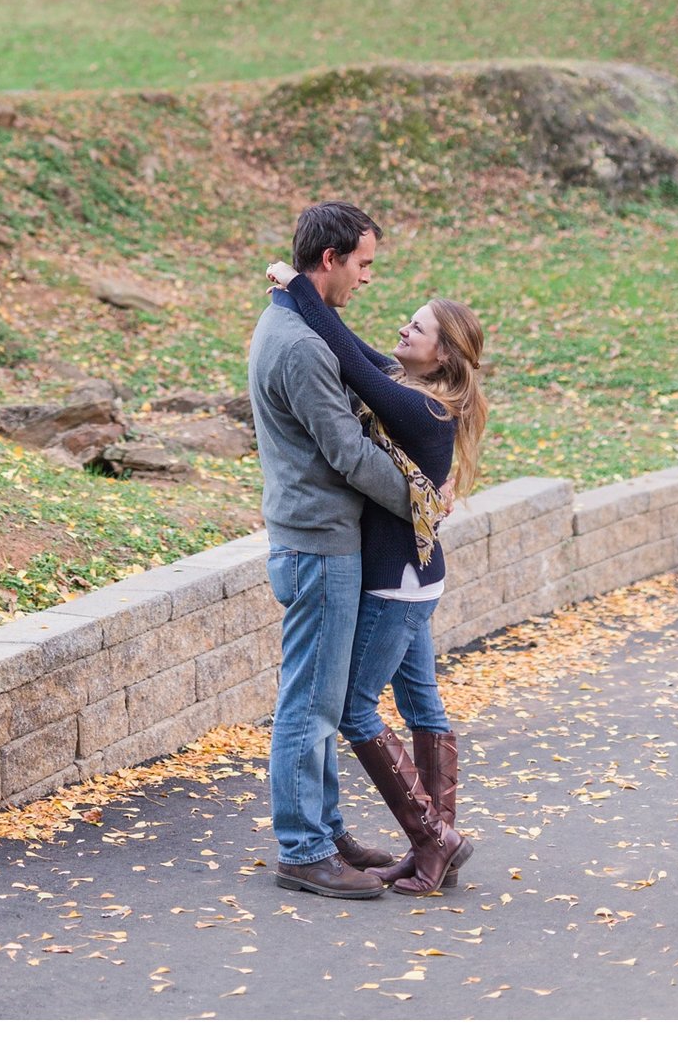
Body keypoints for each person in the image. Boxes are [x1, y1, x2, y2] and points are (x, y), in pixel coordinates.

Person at [268, 257, 487, 892]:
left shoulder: (422, 409)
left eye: (417, 328)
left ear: (441, 355)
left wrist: (296, 287)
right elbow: (361, 349)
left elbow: (352, 362)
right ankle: (433, 856)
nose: (403, 329)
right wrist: (305, 296)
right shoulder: (419, 390)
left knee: (356, 708)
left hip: (396, 581)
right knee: (422, 702)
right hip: (418, 575)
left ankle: (433, 837)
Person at [247, 201, 415, 898]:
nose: (369, 278)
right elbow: (346, 451)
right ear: (330, 259)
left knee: (318, 697)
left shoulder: (296, 324)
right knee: (310, 703)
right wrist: (420, 500)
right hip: (318, 545)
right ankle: (303, 847)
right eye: (364, 263)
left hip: (314, 537)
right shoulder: (301, 345)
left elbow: (355, 356)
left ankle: (327, 831)